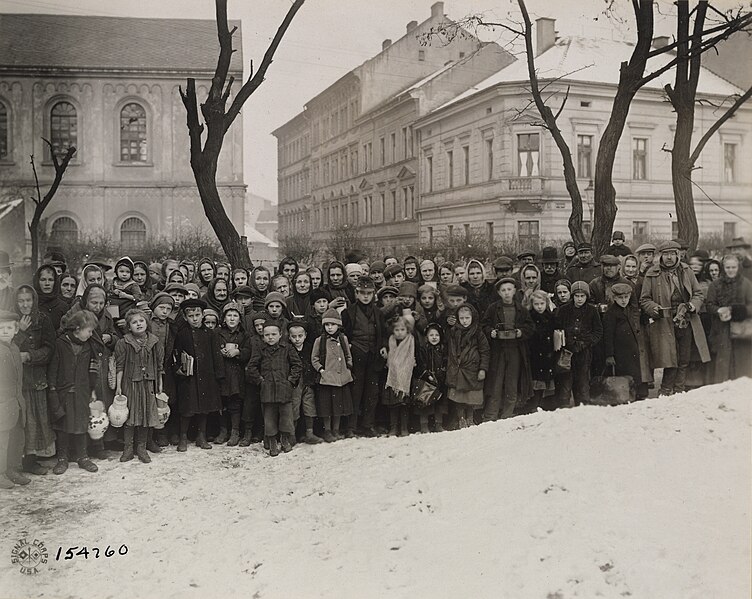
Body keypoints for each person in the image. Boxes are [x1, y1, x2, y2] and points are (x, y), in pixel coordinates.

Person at [639, 241, 709, 396]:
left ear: (678, 255)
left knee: (684, 358)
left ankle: (679, 390)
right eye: (665, 254)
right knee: (669, 358)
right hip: (664, 321)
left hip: (686, 320)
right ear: (661, 256)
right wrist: (654, 308)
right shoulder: (652, 273)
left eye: (672, 253)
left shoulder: (686, 271)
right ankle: (665, 390)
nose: (669, 257)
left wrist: (692, 305)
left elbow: (698, 293)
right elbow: (644, 299)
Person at [47, 310, 100, 475]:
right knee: (63, 425)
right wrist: (53, 390)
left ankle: (82, 456)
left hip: (82, 392)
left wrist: (91, 389)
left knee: (81, 424)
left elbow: (93, 369)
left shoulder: (88, 346)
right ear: (77, 328)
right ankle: (62, 458)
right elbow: (53, 369)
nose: (91, 334)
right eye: (89, 330)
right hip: (64, 392)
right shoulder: (61, 344)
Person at [172, 298, 225, 451]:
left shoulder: (211, 334)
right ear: (185, 317)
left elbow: (217, 356)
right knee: (187, 408)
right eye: (191, 316)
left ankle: (201, 436)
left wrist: (219, 376)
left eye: (197, 315)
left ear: (203, 315)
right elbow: (175, 354)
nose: (194, 319)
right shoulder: (182, 334)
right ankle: (183, 436)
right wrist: (178, 368)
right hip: (189, 378)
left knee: (204, 408)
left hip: (207, 377)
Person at [14, 285, 56, 475]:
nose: (25, 305)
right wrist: (20, 331)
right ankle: (17, 461)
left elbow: (49, 349)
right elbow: (6, 347)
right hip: (18, 380)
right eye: (21, 301)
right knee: (21, 419)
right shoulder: (11, 320)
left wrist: (30, 356)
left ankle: (31, 460)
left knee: (36, 418)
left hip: (37, 377)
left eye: (28, 300)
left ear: (34, 300)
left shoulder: (43, 319)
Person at [114, 309, 164, 464]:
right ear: (129, 327)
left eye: (141, 321)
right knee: (130, 416)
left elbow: (159, 365)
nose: (138, 324)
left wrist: (160, 383)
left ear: (146, 323)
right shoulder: (124, 343)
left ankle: (141, 447)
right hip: (130, 384)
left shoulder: (154, 341)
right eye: (134, 322)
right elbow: (120, 366)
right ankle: (128, 448)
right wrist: (118, 386)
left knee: (145, 415)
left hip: (148, 383)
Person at [246, 320, 302, 456]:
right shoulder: (261, 350)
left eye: (273, 334)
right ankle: (271, 441)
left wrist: (290, 381)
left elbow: (297, 365)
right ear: (263, 336)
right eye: (267, 335)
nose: (270, 337)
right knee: (269, 417)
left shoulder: (287, 348)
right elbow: (251, 367)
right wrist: (260, 381)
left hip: (284, 389)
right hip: (267, 390)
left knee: (286, 416)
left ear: (280, 334)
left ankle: (284, 440)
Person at [481, 278, 533, 420]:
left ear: (515, 290)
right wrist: (490, 331)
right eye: (503, 290)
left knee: (512, 382)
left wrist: (521, 332)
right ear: (498, 292)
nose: (507, 293)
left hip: (515, 349)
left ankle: (507, 414)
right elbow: (484, 324)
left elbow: (530, 327)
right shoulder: (493, 308)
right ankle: (490, 415)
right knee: (496, 382)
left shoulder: (521, 309)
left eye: (509, 289)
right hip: (498, 349)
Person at [341, 276, 387, 437]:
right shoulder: (349, 312)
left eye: (369, 293)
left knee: (372, 392)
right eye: (362, 293)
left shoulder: (378, 313)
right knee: (355, 391)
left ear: (373, 293)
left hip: (373, 357)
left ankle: (368, 425)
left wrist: (383, 347)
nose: (365, 296)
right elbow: (344, 334)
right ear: (356, 293)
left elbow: (383, 333)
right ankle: (351, 427)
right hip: (356, 356)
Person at [553, 281, 602, 407]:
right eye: (577, 296)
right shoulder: (563, 310)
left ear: (587, 296)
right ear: (572, 296)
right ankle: (563, 407)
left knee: (583, 382)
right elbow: (558, 328)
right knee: (565, 382)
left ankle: (583, 407)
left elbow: (598, 331)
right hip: (567, 353)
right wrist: (566, 342)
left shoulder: (592, 310)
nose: (579, 299)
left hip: (584, 352)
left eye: (582, 296)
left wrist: (586, 342)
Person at [705, 255, 752, 382]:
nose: (731, 270)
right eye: (728, 267)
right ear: (723, 268)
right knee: (722, 363)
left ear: (738, 268)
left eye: (733, 267)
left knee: (742, 363)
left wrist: (739, 310)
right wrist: (718, 310)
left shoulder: (746, 284)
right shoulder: (715, 285)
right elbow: (709, 305)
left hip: (742, 329)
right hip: (721, 329)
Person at [602, 283, 651, 400]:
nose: (623, 300)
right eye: (620, 298)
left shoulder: (630, 310)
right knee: (623, 377)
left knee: (634, 375)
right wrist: (609, 355)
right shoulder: (611, 314)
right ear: (614, 298)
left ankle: (635, 396)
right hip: (620, 353)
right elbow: (608, 336)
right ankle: (624, 397)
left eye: (626, 297)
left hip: (632, 350)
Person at [446, 304, 489, 429]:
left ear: (473, 318)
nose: (464, 321)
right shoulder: (454, 332)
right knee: (459, 396)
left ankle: (470, 417)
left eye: (467, 318)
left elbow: (485, 351)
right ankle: (461, 418)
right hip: (458, 369)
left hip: (472, 369)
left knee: (471, 396)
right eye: (462, 318)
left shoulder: (478, 333)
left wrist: (483, 368)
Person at [215, 302, 251, 446]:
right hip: (222, 371)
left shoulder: (244, 335)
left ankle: (235, 431)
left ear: (240, 319)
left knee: (234, 402)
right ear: (224, 318)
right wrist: (220, 352)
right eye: (229, 315)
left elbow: (248, 351)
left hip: (236, 374)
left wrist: (238, 352)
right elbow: (212, 348)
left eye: (235, 316)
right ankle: (223, 431)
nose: (231, 318)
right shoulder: (217, 333)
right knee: (222, 402)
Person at [0, 309, 26, 488]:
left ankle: (12, 470)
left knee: (16, 437)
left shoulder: (15, 348)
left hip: (16, 401)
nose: (5, 331)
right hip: (3, 402)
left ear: (16, 330)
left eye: (9, 327)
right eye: (1, 328)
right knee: (2, 440)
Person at [287, 321, 323, 444]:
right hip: (295, 383)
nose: (297, 339)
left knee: (309, 406)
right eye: (293, 336)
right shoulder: (288, 349)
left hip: (308, 381)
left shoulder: (309, 347)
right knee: (294, 407)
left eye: (300, 336)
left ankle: (309, 433)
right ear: (289, 336)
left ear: (305, 335)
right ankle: (292, 434)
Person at [383, 315, 417, 437]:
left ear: (407, 330)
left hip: (405, 378)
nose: (399, 333)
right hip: (392, 377)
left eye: (402, 330)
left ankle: (404, 428)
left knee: (404, 405)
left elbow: (410, 357)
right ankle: (393, 427)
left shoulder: (410, 341)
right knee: (393, 405)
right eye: (397, 330)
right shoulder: (391, 341)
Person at [415, 322, 448, 432]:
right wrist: (427, 375)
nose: (434, 338)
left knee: (439, 403)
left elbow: (445, 363)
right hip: (427, 380)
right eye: (431, 335)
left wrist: (441, 374)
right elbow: (421, 364)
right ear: (426, 337)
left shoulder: (442, 349)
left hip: (439, 380)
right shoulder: (424, 350)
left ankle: (439, 424)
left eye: (436, 335)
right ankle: (424, 425)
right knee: (424, 401)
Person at [527, 290, 556, 411]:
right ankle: (533, 406)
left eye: (542, 304)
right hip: (534, 355)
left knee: (545, 381)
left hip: (547, 354)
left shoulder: (550, 317)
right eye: (536, 304)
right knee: (535, 381)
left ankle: (542, 405)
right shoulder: (529, 318)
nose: (539, 307)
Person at [33, 264, 69, 331]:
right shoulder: (32, 304)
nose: (47, 283)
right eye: (43, 280)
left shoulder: (63, 306)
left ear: (55, 282)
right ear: (37, 282)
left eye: (50, 280)